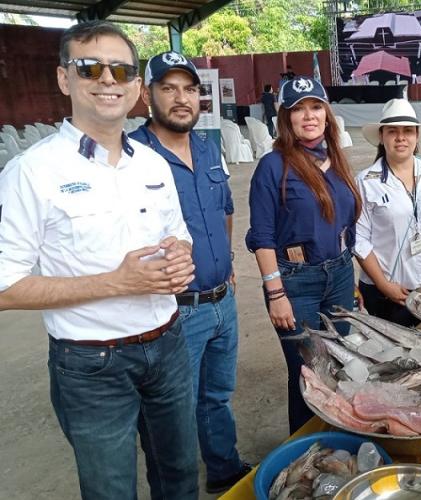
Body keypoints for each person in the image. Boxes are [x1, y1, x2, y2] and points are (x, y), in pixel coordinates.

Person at [0, 21, 198, 499]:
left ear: (135, 87)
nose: (108, 80)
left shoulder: (152, 163)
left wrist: (180, 258)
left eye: (121, 69)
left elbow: (180, 237)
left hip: (168, 344)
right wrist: (117, 282)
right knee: (111, 489)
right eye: (90, 67)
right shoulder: (33, 172)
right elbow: (4, 287)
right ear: (65, 79)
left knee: (180, 477)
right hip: (91, 363)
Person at [129, 52, 251, 494]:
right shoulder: (133, 158)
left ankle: (223, 467)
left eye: (190, 89)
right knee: (172, 415)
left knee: (216, 396)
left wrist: (230, 263)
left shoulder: (207, 147)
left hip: (223, 300)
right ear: (147, 95)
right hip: (174, 312)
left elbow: (226, 212)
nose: (182, 99)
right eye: (168, 88)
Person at [246, 76, 362, 433]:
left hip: (340, 275)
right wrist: (276, 293)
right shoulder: (273, 166)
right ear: (286, 118)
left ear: (327, 114)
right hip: (297, 284)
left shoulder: (337, 160)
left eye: (315, 107)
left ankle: (336, 437)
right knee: (309, 372)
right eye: (298, 109)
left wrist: (351, 279)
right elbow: (262, 237)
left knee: (340, 364)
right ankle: (305, 447)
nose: (308, 116)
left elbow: (347, 223)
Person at [354, 99, 421, 326]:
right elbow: (358, 239)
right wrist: (384, 285)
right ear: (381, 137)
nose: (401, 137)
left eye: (408, 131)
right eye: (392, 131)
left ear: (417, 136)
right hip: (385, 293)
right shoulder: (365, 182)